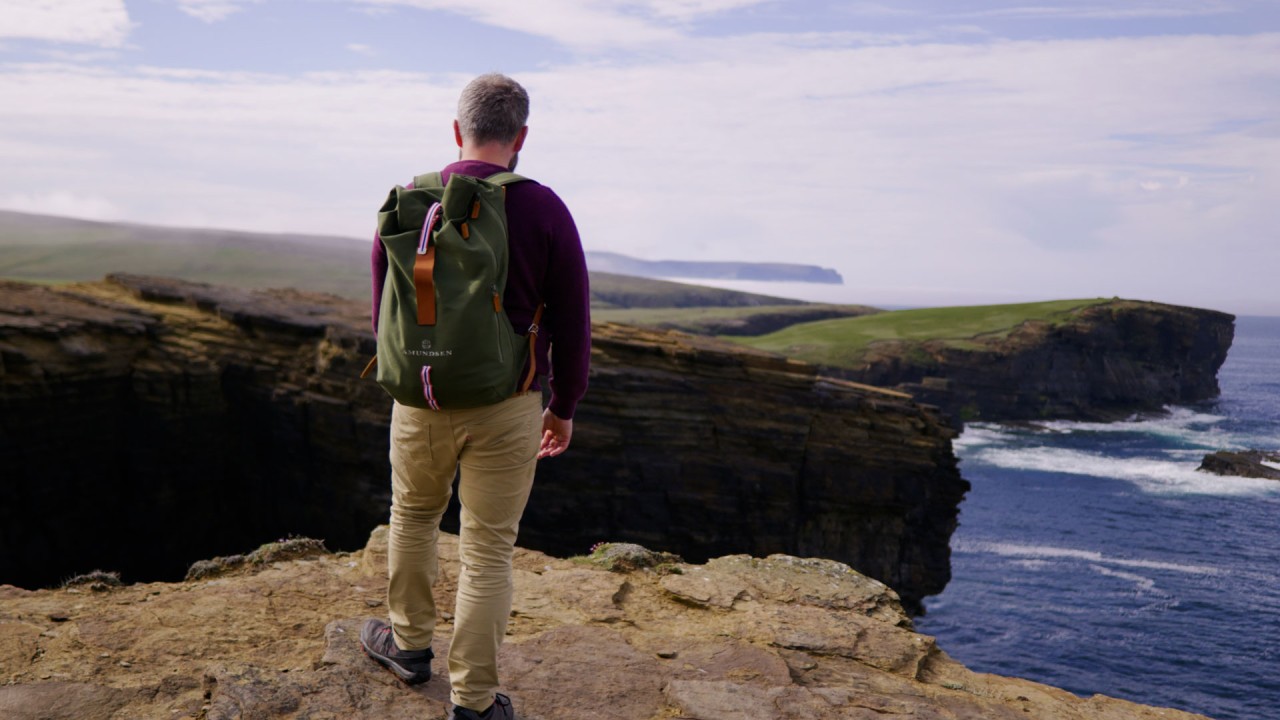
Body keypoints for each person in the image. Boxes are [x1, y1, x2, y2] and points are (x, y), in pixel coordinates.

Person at [360, 73, 591, 720]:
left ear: (456, 130)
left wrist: (414, 374)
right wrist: (564, 406)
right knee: (487, 548)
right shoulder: (543, 208)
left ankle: (407, 646)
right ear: (520, 138)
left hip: (419, 399)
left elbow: (386, 312)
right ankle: (474, 701)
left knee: (412, 517)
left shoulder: (408, 200)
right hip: (507, 406)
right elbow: (573, 322)